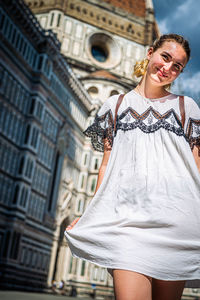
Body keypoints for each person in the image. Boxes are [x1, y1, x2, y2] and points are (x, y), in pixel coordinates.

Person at [64, 34, 200, 300]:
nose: (168, 68)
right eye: (165, 57)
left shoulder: (186, 107)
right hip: (127, 224)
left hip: (177, 222)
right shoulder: (113, 106)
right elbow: (106, 165)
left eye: (177, 66)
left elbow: (197, 164)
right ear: (150, 53)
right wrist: (92, 212)